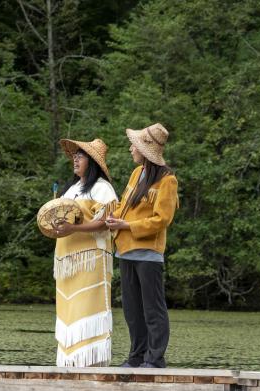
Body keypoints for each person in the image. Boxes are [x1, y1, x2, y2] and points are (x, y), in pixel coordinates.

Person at [104, 123, 179, 368]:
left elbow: (162, 219)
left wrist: (127, 225)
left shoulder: (167, 180)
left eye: (133, 145)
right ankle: (136, 356)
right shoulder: (137, 174)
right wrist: (109, 216)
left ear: (145, 150)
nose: (130, 149)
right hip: (125, 250)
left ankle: (155, 358)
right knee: (132, 310)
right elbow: (124, 206)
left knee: (152, 309)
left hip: (148, 254)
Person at [50, 138, 118, 367]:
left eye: (81, 156)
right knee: (69, 310)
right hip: (67, 261)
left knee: (88, 307)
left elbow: (106, 222)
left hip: (90, 259)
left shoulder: (102, 188)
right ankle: (70, 362)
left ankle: (91, 363)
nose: (75, 160)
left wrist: (73, 228)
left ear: (93, 162)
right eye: (74, 156)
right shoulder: (71, 189)